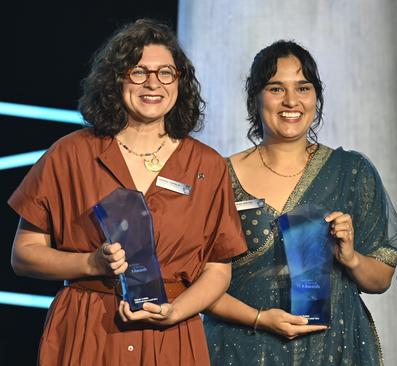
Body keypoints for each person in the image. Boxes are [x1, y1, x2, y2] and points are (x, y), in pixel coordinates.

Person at [9, 19, 246, 365]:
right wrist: (90, 263)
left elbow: (218, 269)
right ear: (116, 79)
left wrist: (175, 311)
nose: (153, 83)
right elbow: (23, 254)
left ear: (180, 81)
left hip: (172, 338)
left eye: (166, 73)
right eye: (138, 72)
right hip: (86, 333)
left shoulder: (206, 166)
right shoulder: (70, 154)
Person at [201, 40, 397, 365]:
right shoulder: (218, 177)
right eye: (276, 88)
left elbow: (380, 280)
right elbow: (198, 285)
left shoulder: (350, 172)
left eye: (303, 88)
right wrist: (259, 318)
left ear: (317, 97)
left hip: (331, 349)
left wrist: (350, 258)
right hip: (240, 348)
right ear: (255, 97)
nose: (291, 101)